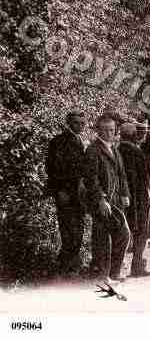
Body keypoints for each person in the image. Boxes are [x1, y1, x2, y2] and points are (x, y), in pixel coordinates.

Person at [84, 114, 131, 284]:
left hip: (116, 201)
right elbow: (91, 178)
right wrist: (100, 200)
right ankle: (104, 276)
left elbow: (122, 175)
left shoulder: (115, 149)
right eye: (105, 130)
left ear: (115, 131)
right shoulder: (92, 150)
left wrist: (125, 194)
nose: (108, 133)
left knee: (123, 234)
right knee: (102, 239)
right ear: (98, 131)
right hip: (102, 203)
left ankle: (113, 272)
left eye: (111, 130)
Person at [45, 109, 88, 276]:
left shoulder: (80, 141)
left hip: (78, 194)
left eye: (82, 123)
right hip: (65, 194)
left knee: (78, 229)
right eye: (76, 122)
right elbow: (52, 168)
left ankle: (70, 266)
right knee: (69, 231)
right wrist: (60, 190)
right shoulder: (59, 141)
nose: (80, 126)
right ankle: (64, 268)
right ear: (68, 122)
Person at [118, 123, 150, 277]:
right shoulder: (135, 151)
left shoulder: (117, 149)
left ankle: (119, 268)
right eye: (139, 133)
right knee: (142, 231)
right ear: (133, 135)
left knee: (124, 231)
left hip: (124, 196)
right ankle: (137, 266)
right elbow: (149, 167)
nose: (141, 136)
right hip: (139, 196)